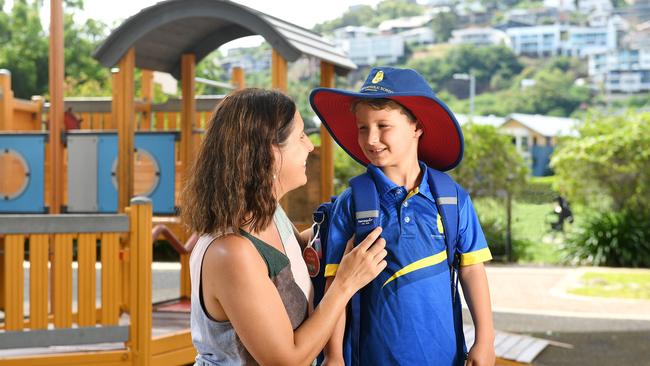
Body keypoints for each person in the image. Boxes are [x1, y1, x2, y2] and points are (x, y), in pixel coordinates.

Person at [182, 88, 388, 366]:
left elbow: (295, 258)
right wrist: (345, 283)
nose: (310, 146)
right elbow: (286, 361)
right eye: (301, 136)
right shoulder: (231, 251)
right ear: (270, 150)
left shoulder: (268, 213)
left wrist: (345, 222)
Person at [310, 67, 496, 366]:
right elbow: (335, 286)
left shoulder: (451, 199)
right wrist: (333, 356)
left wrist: (485, 341)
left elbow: (472, 271)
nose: (371, 139)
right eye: (362, 127)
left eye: (383, 125)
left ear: (416, 127)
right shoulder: (352, 204)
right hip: (369, 358)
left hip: (443, 356)